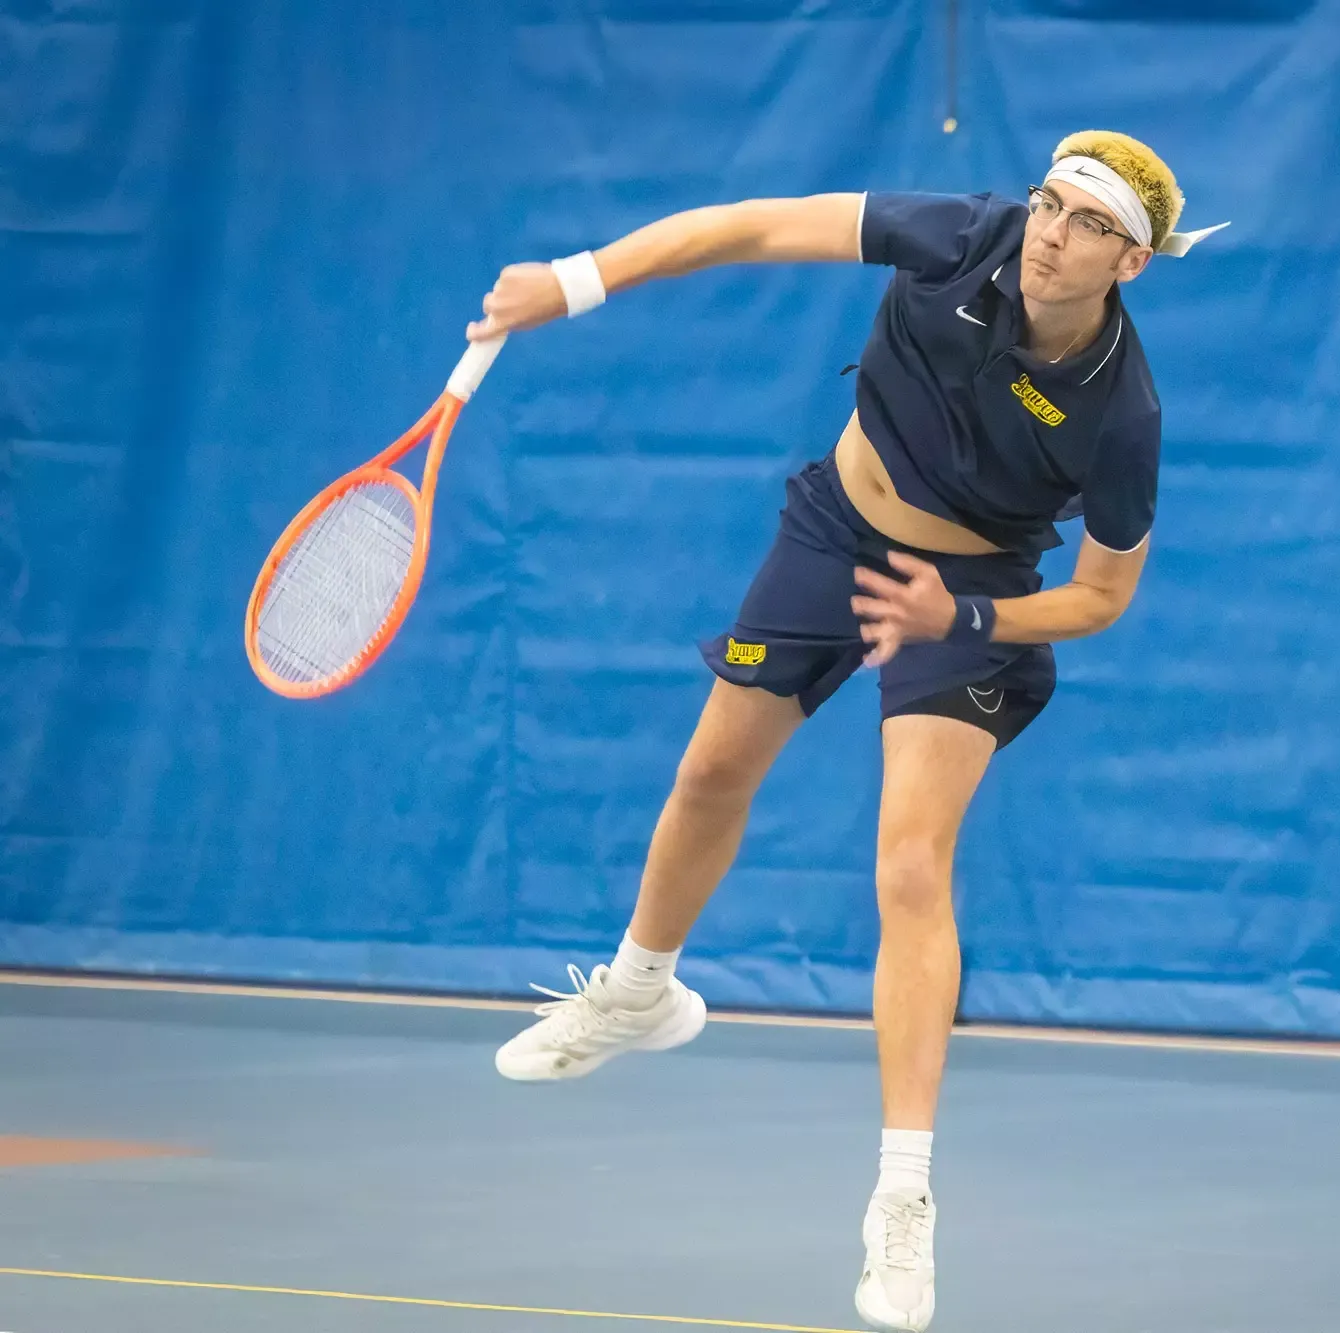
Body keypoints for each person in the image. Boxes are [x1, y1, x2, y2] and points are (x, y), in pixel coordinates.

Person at [467, 130, 1225, 1333]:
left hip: (969, 592)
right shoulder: (960, 234)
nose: (1050, 234)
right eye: (1047, 204)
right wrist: (577, 279)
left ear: (1128, 264)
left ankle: (903, 1198)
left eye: (1087, 226)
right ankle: (637, 991)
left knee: (910, 865)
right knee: (713, 766)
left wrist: (963, 611)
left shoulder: (1120, 414)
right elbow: (755, 223)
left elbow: (1100, 596)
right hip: (836, 529)